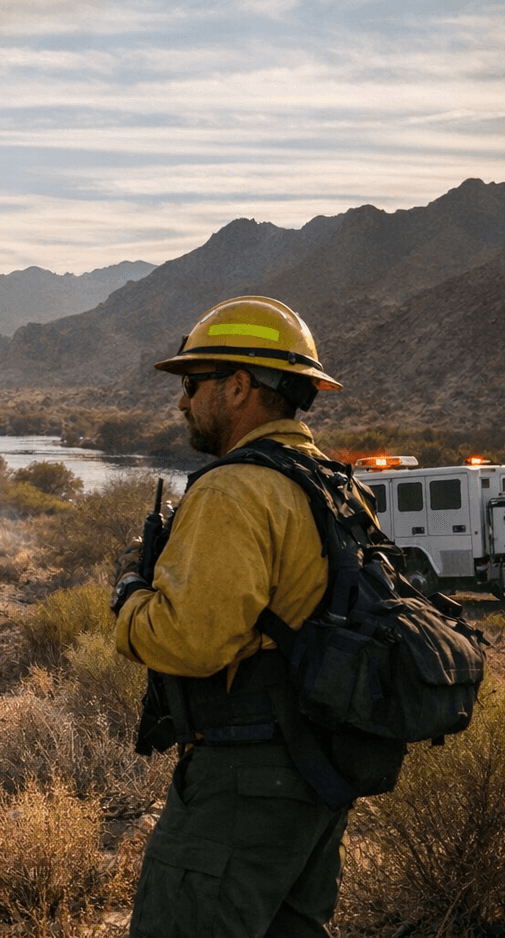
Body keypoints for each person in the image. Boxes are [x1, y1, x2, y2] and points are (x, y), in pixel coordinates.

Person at [110, 296, 352, 938]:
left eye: (192, 384)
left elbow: (191, 641)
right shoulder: (331, 483)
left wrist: (129, 598)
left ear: (239, 386)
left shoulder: (236, 488)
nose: (182, 401)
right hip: (314, 775)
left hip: (245, 781)